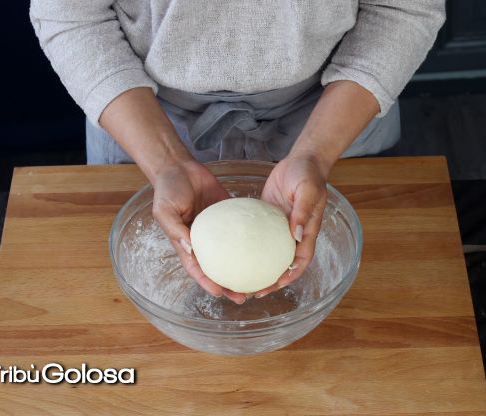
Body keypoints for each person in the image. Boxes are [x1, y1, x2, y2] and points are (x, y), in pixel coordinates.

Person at [30, 1, 445, 304]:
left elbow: (402, 9)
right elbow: (71, 15)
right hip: (144, 118)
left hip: (336, 113)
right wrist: (167, 164)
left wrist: (316, 156)